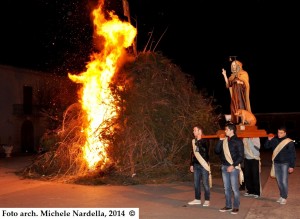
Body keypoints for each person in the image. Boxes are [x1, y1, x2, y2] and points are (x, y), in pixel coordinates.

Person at [215, 123, 244, 215]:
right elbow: (217, 151)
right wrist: (220, 141)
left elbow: (241, 156)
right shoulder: (224, 140)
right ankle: (228, 205)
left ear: (232, 130)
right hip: (224, 166)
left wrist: (233, 165)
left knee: (235, 188)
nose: (225, 131)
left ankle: (236, 206)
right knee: (226, 188)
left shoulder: (238, 141)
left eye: (226, 129)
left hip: (233, 167)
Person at [264, 126, 296, 205]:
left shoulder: (289, 142)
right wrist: (268, 140)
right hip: (276, 163)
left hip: (285, 164)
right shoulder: (275, 140)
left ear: (285, 133)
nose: (279, 134)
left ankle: (284, 197)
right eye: (278, 132)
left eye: (281, 133)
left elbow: (292, 154)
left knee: (284, 181)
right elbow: (266, 146)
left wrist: (292, 166)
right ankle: (282, 196)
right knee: (279, 181)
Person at [222, 60, 251, 124]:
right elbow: (228, 84)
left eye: (234, 65)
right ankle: (236, 121)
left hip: (241, 93)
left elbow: (246, 83)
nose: (233, 66)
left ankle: (244, 121)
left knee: (241, 106)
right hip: (235, 94)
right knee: (234, 107)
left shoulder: (243, 73)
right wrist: (224, 75)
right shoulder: (232, 76)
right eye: (232, 65)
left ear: (238, 66)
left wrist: (240, 82)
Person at [188, 125, 211, 207]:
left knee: (205, 183)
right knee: (196, 183)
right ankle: (197, 199)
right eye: (193, 130)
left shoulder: (205, 141)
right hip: (196, 165)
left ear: (199, 131)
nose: (193, 132)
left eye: (195, 130)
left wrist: (198, 142)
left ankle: (207, 200)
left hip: (204, 165)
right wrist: (191, 164)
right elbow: (193, 154)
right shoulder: (194, 141)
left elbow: (204, 152)